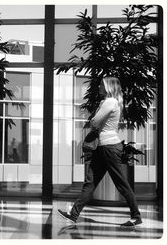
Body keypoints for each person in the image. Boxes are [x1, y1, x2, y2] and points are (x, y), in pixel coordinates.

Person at [58, 76, 142, 227]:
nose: (98, 87)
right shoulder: (110, 102)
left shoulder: (110, 102)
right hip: (102, 148)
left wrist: (96, 116)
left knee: (121, 183)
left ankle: (136, 216)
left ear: (108, 87)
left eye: (101, 85)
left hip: (109, 147)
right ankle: (73, 214)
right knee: (90, 183)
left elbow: (95, 121)